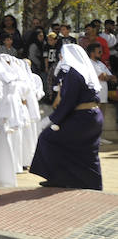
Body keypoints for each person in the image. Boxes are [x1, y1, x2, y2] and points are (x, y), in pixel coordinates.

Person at [30, 44, 103, 190]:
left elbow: (69, 101)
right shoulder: (81, 72)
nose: (60, 57)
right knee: (85, 151)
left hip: (82, 118)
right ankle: (85, 182)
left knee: (47, 138)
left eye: (62, 54)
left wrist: (52, 120)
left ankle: (58, 177)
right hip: (90, 117)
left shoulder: (73, 73)